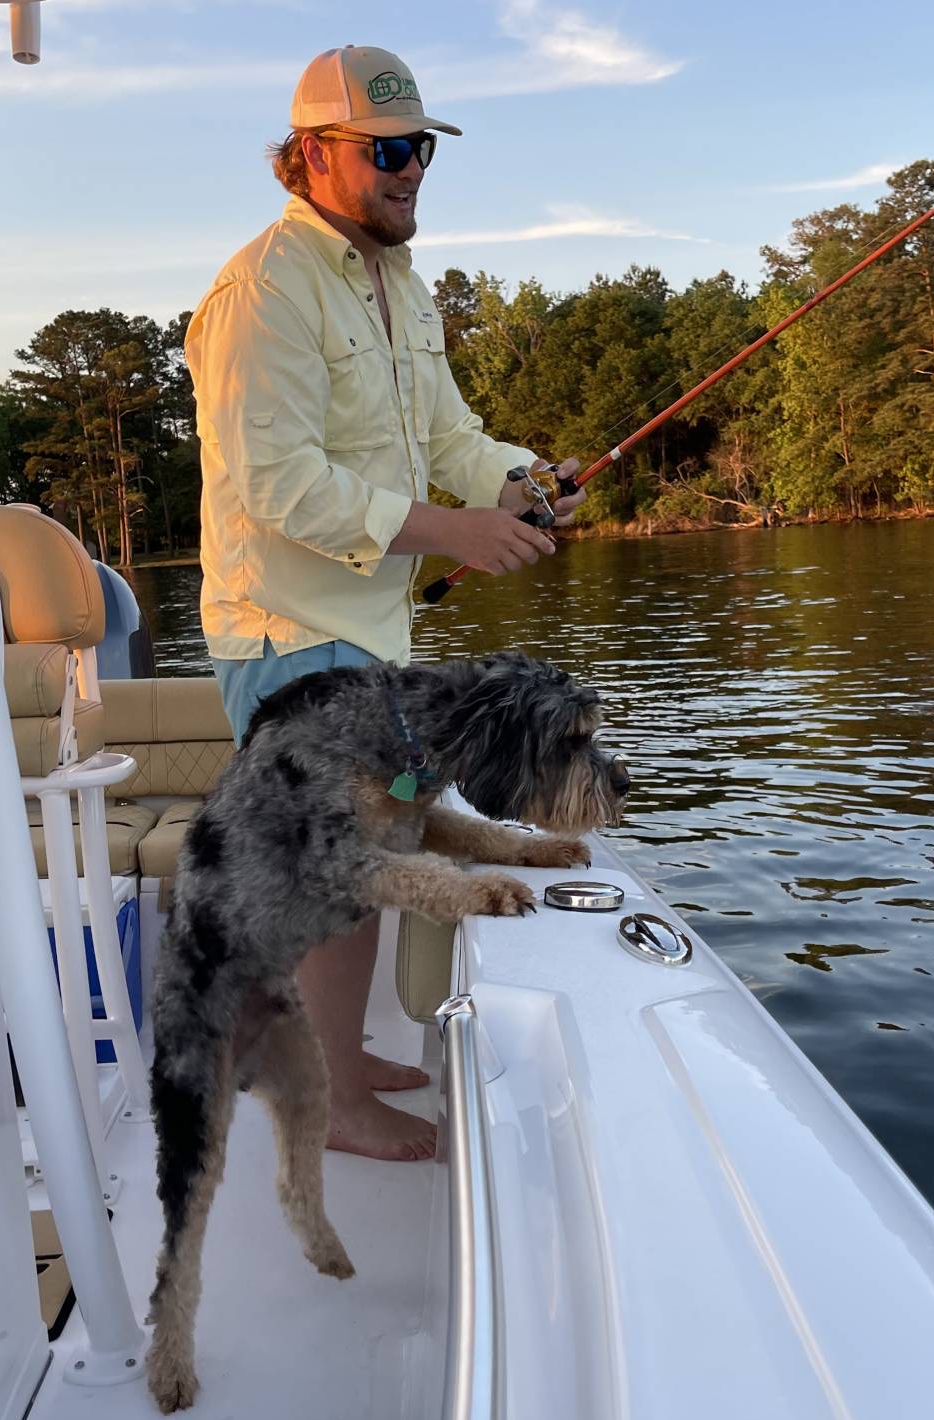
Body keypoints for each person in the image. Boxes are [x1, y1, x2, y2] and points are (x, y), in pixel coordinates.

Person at [185, 45, 584, 1161]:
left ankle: (346, 1063)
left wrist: (515, 479)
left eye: (422, 149)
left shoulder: (402, 288)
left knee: (383, 830)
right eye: (389, 150)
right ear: (312, 152)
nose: (413, 170)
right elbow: (276, 484)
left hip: (369, 629)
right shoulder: (263, 289)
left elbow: (448, 435)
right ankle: (332, 1107)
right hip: (285, 627)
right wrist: (454, 530)